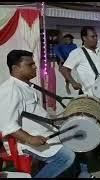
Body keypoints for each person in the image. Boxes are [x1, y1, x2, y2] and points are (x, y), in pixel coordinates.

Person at [0, 50, 75, 178]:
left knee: (74, 138)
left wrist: (55, 120)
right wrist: (30, 139)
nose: (35, 67)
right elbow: (7, 124)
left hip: (45, 134)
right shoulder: (11, 89)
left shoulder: (26, 86)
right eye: (30, 64)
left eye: (34, 63)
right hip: (27, 140)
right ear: (15, 68)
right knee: (67, 157)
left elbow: (33, 113)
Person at [60, 26, 100, 178]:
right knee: (85, 131)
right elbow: (64, 69)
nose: (95, 39)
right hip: (89, 98)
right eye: (92, 36)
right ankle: (81, 168)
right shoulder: (77, 53)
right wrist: (73, 82)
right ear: (83, 38)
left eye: (96, 36)